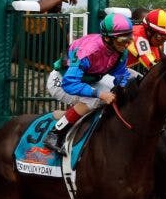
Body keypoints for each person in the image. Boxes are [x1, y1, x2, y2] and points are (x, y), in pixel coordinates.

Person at [43, 13, 134, 154]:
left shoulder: (121, 51)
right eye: (122, 40)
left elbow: (120, 75)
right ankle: (56, 133)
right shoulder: (88, 51)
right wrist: (100, 94)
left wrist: (122, 85)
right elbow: (70, 83)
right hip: (62, 81)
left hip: (91, 79)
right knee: (94, 100)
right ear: (107, 38)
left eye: (129, 39)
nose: (126, 44)